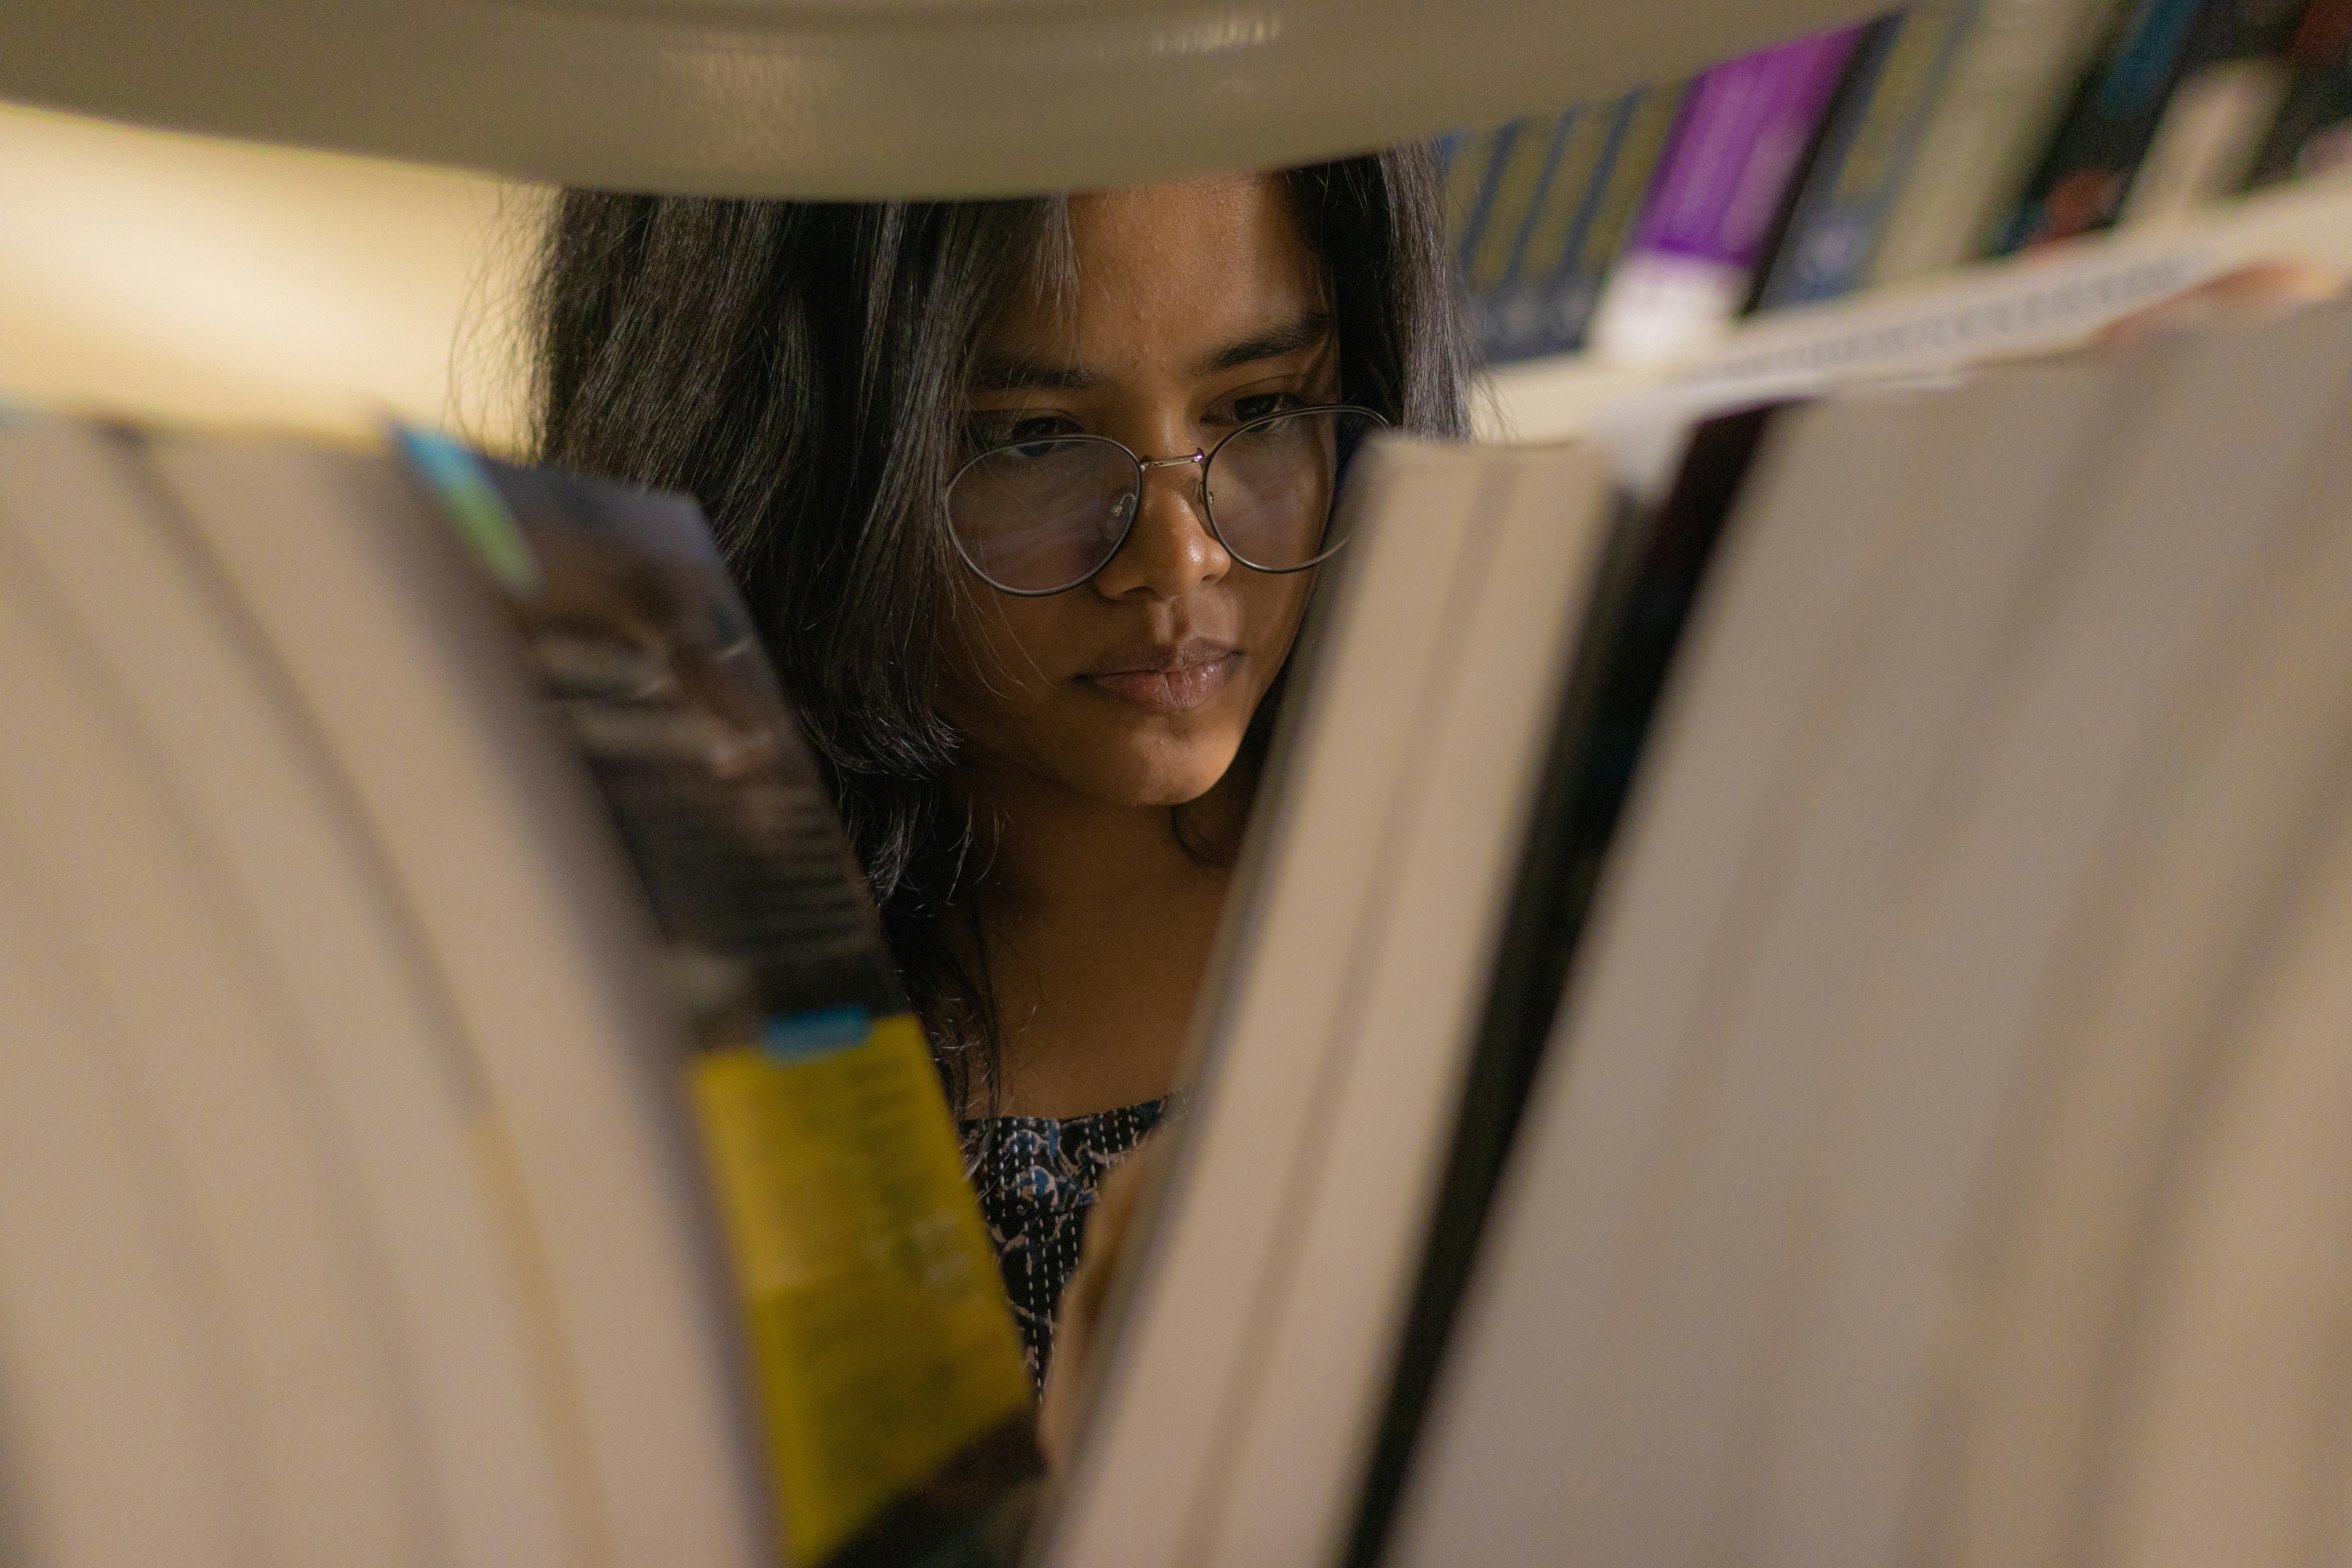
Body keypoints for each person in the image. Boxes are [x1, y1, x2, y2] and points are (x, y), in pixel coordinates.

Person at [531, 154, 1475, 1387]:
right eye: (1031, 439)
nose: (1179, 560)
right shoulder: (638, 1024)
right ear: (798, 453)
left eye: (1258, 410)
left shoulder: (1492, 895)